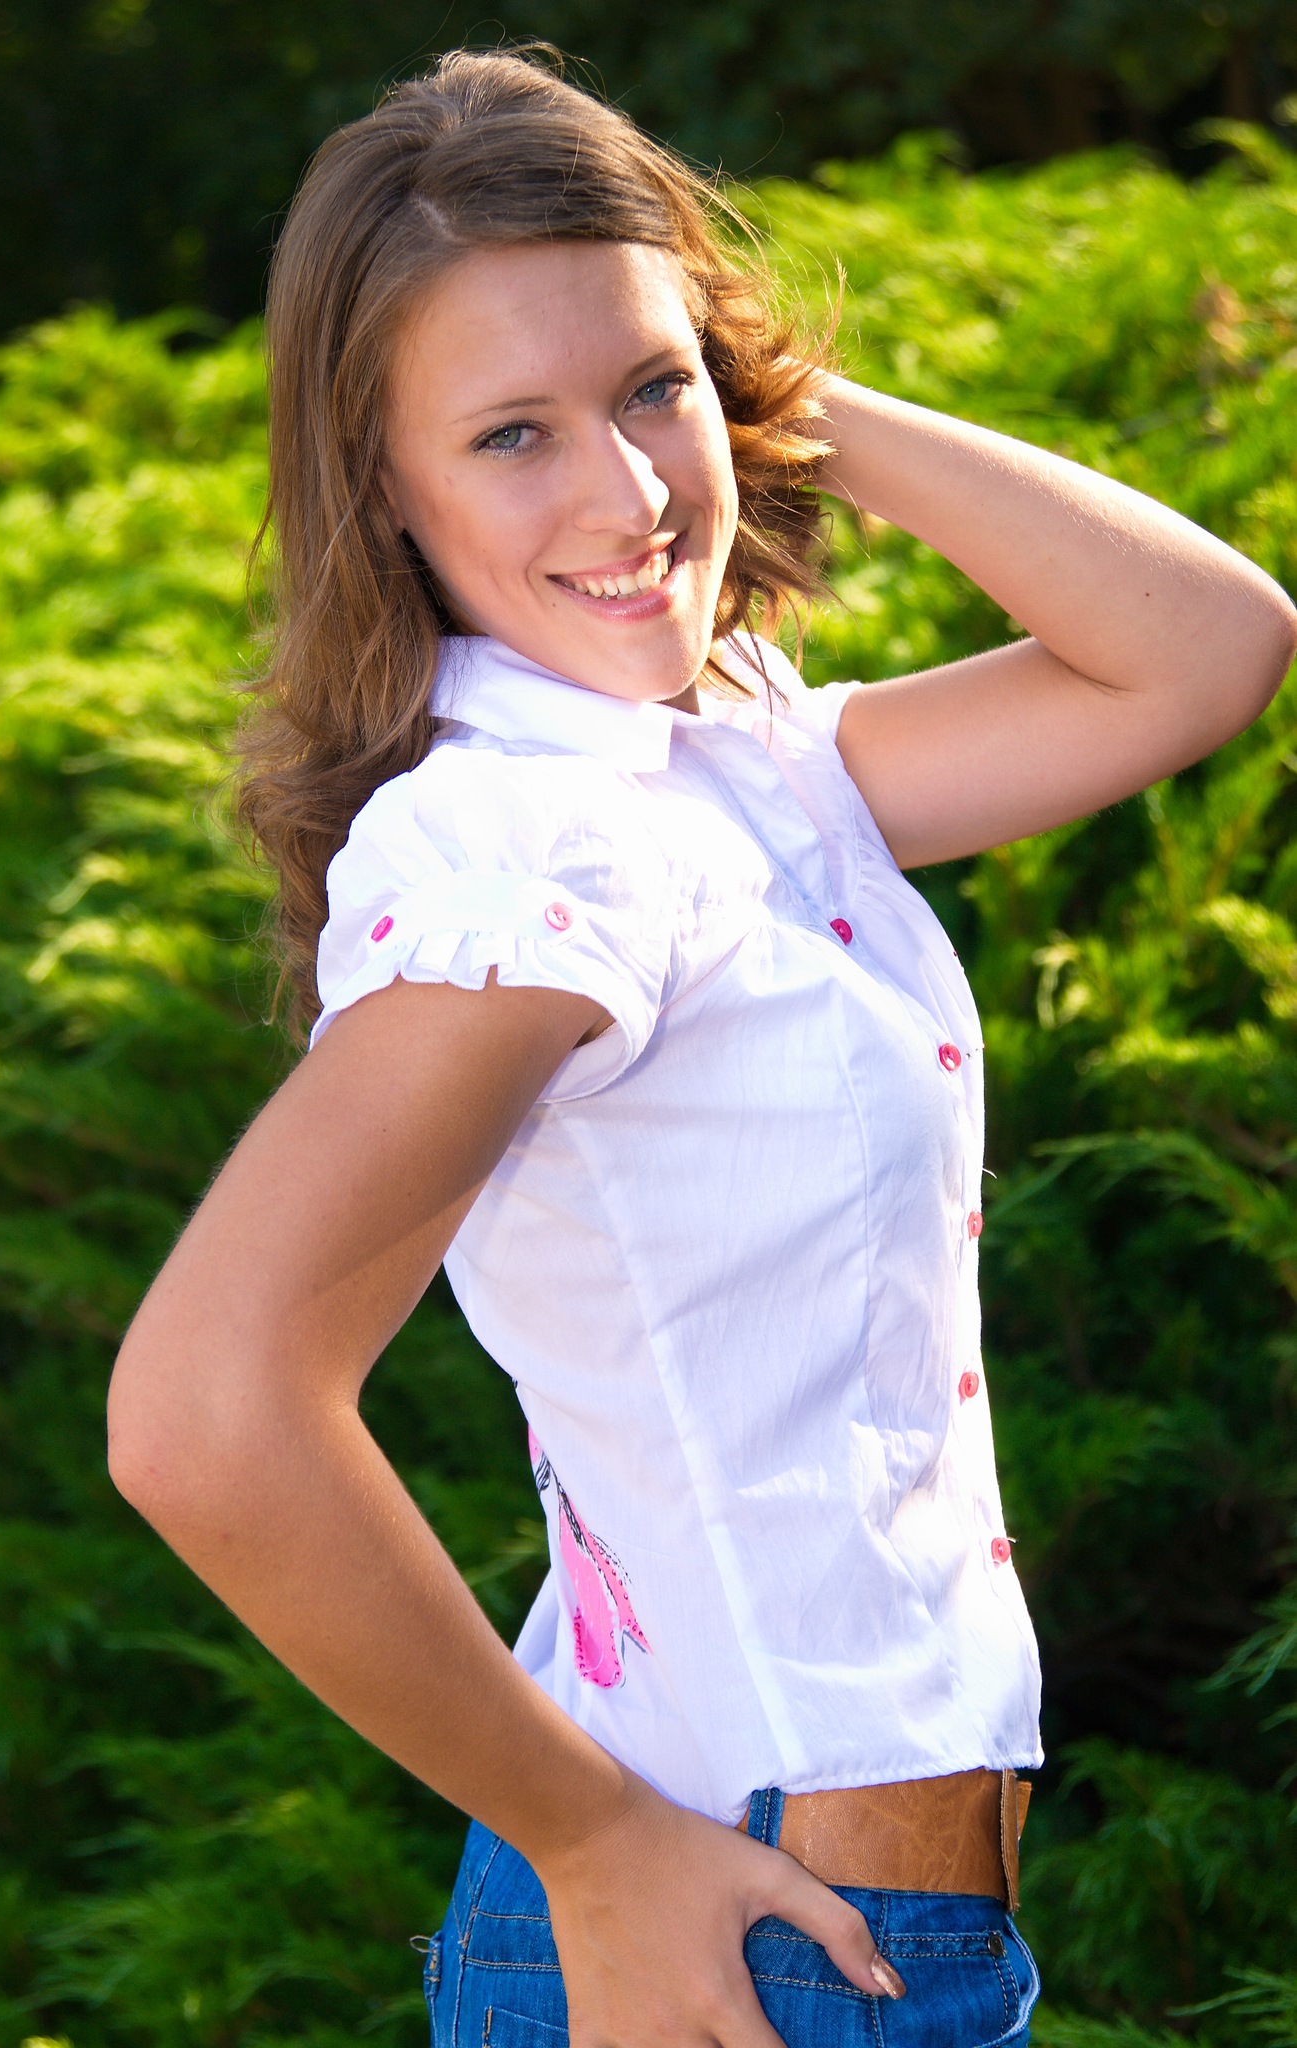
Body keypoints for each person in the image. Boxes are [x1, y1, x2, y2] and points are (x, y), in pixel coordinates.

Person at [105, 46, 1297, 2048]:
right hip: (735, 1941)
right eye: (510, 434)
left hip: (842, 1937)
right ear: (379, 487)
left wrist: (769, 391)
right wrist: (589, 1844)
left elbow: (1204, 649)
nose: (630, 493)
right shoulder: (534, 843)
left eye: (651, 390)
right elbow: (202, 1412)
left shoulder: (737, 769)